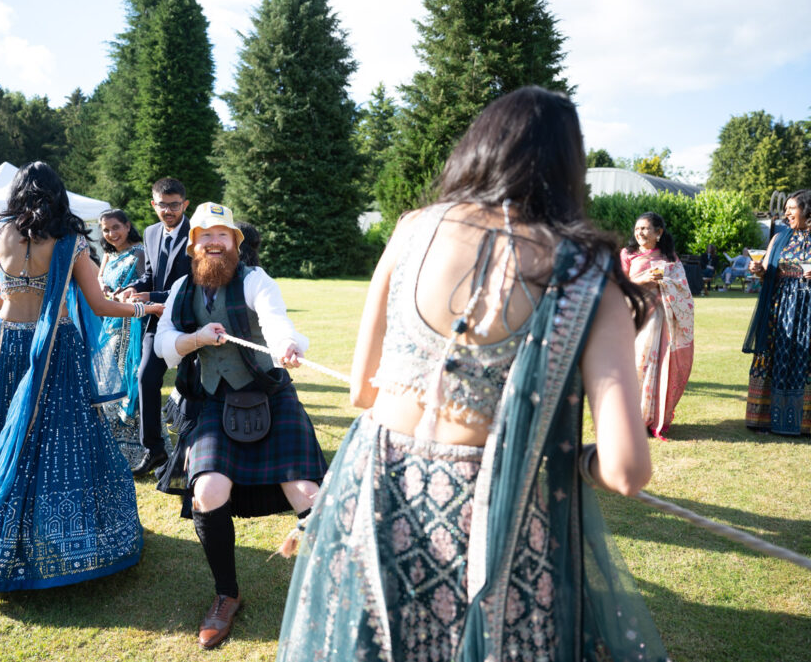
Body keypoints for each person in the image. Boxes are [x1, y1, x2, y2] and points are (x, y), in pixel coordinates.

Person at [277, 86, 668, 662]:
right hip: (495, 514)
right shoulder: (587, 271)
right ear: (569, 168)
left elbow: (363, 388)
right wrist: (573, 457)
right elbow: (627, 471)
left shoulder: (411, 228)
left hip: (375, 487)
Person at [0, 161, 164, 594]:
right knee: (59, 440)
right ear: (57, 194)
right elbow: (99, 305)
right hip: (53, 349)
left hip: (4, 341)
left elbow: (1, 295)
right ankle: (63, 544)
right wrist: (145, 308)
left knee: (3, 432)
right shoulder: (69, 240)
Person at [154, 202, 327, 650]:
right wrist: (195, 340)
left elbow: (274, 319)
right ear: (194, 245)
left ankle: (335, 588)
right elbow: (165, 345)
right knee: (208, 491)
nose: (215, 243)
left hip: (270, 396)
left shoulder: (255, 280)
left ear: (235, 242)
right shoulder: (179, 289)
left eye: (223, 236)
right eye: (205, 236)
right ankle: (226, 594)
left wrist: (286, 343)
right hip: (213, 400)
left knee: (308, 495)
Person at [124, 178, 194, 477]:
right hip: (157, 321)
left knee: (190, 388)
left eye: (174, 205)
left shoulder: (198, 233)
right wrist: (133, 288)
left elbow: (194, 285)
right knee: (145, 378)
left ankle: (193, 454)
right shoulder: (151, 233)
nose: (168, 211)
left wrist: (149, 296)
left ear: (185, 204)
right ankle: (154, 449)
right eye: (162, 205)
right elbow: (151, 275)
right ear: (153, 204)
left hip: (194, 321)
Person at [620, 212, 695, 440]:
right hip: (634, 317)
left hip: (661, 318)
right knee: (634, 366)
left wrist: (665, 282)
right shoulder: (628, 254)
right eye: (637, 229)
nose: (640, 233)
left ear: (659, 232)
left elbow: (682, 286)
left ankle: (650, 418)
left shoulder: (669, 256)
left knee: (656, 366)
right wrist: (642, 281)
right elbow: (615, 283)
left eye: (645, 228)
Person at [744, 189, 811, 436]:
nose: (786, 213)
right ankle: (765, 418)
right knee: (774, 356)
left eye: (792, 208)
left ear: (807, 209)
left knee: (806, 360)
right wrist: (757, 270)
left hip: (808, 308)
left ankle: (803, 422)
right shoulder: (779, 238)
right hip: (780, 307)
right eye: (786, 209)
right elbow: (766, 271)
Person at [97, 208, 147, 463]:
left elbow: (148, 284)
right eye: (106, 230)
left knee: (129, 381)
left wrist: (127, 295)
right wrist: (102, 286)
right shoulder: (107, 254)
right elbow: (98, 279)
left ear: (128, 226)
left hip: (131, 326)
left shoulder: (139, 253)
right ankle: (111, 449)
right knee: (108, 382)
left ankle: (138, 451)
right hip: (108, 324)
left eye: (116, 227)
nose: (111, 234)